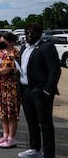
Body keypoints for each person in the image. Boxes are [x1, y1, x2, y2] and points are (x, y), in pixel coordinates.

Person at [18, 23, 61, 158]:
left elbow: (54, 70)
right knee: (31, 121)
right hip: (26, 90)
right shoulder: (24, 47)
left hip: (40, 91)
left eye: (33, 33)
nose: (29, 35)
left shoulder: (46, 47)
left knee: (45, 124)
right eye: (27, 32)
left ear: (40, 34)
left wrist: (48, 90)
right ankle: (34, 148)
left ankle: (48, 154)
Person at [0, 32, 20, 148]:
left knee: (11, 113)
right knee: (2, 112)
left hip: (10, 87)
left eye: (4, 41)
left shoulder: (15, 53)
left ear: (11, 42)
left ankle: (12, 138)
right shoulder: (1, 53)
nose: (1, 43)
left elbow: (6, 70)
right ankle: (5, 134)